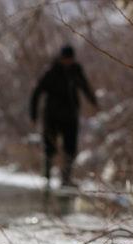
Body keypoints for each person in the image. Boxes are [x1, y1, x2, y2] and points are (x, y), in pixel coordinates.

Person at [30, 45, 97, 188]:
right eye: (66, 59)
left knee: (70, 148)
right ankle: (46, 177)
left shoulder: (76, 70)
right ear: (61, 58)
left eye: (70, 59)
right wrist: (33, 114)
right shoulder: (51, 71)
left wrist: (93, 101)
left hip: (70, 115)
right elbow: (37, 92)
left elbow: (84, 86)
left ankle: (66, 178)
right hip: (51, 116)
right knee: (50, 147)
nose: (68, 62)